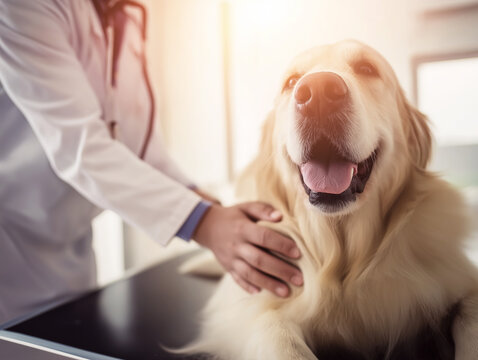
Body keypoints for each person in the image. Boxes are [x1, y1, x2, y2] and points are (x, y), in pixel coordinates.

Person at [0, 0, 303, 325]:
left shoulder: (126, 17)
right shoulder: (22, 7)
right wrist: (206, 223)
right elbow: (81, 148)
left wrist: (214, 209)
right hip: (12, 244)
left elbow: (137, 144)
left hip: (70, 243)